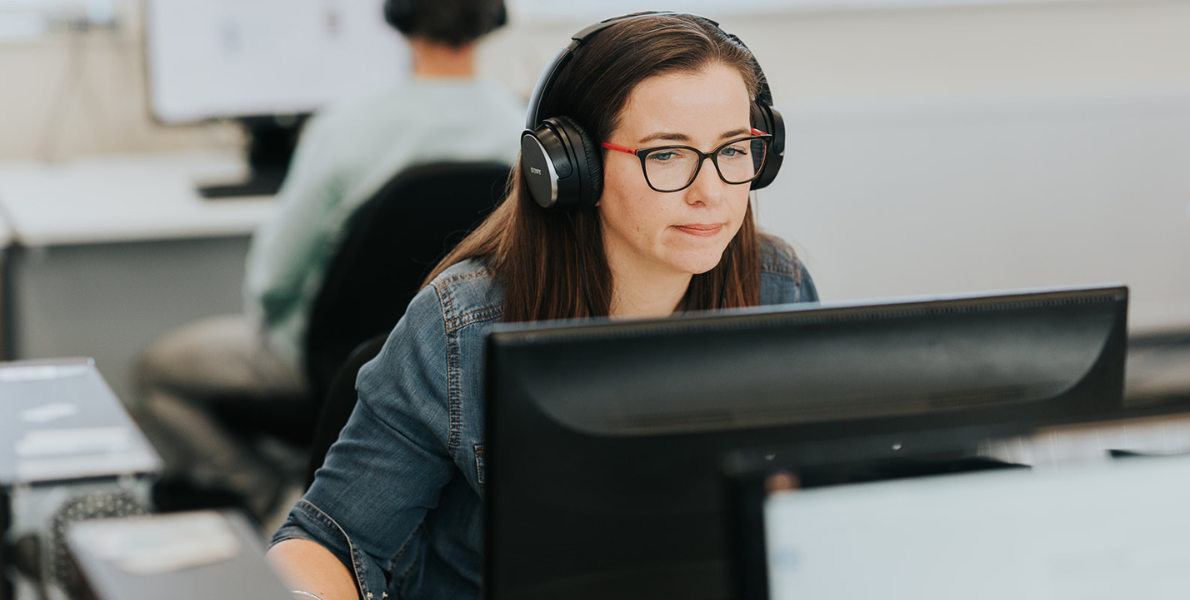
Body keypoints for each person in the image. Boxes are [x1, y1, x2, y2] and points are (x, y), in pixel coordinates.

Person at [265, 12, 818, 600]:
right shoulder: (460, 326)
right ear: (571, 168)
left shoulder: (776, 287)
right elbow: (327, 541)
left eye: (734, 149)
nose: (709, 191)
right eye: (666, 156)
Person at [136, 0, 523, 521]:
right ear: (492, 17)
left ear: (399, 15)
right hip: (458, 364)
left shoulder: (345, 126)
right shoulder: (521, 128)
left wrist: (276, 332)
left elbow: (275, 281)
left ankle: (268, 492)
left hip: (332, 361)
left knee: (157, 373)